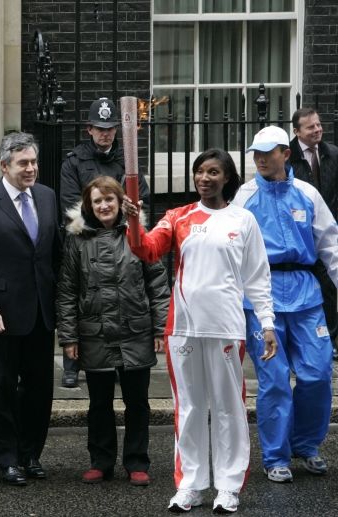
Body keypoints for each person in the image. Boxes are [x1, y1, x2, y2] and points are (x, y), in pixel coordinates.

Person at [123, 148, 277, 514]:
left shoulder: (243, 220)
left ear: (226, 178)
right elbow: (145, 249)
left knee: (228, 406)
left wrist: (267, 323)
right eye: (199, 172)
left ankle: (228, 485)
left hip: (225, 326)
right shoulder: (178, 217)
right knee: (189, 408)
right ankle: (190, 484)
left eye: (212, 172)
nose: (204, 178)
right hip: (184, 328)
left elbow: (258, 277)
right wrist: (133, 222)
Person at [232, 125, 338, 484]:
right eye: (256, 153)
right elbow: (230, 251)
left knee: (318, 372)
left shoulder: (307, 194)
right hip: (262, 297)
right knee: (274, 379)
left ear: (285, 154)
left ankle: (305, 446)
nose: (260, 159)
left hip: (306, 294)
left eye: (268, 152)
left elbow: (331, 246)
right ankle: (276, 456)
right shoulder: (244, 197)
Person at [56, 176, 169, 487]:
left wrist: (161, 328)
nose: (104, 206)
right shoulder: (76, 241)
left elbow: (158, 285)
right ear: (89, 207)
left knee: (138, 402)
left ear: (120, 202)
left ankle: (137, 462)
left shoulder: (138, 235)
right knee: (99, 404)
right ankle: (101, 461)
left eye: (109, 199)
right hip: (95, 334)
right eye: (97, 201)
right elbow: (67, 291)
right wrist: (69, 337)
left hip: (136, 331)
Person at [0, 131, 60, 486]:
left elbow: (55, 255)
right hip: (0, 315)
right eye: (23, 163)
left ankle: (30, 453)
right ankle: (7, 460)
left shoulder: (48, 198)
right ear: (4, 165)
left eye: (33, 162)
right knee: (2, 389)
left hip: (41, 313)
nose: (31, 168)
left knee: (38, 389)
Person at [58, 96, 151, 388]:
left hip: (122, 238)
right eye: (99, 127)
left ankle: (125, 360)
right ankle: (73, 363)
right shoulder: (74, 162)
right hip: (85, 241)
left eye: (110, 128)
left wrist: (122, 221)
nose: (105, 133)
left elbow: (141, 201)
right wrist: (102, 219)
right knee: (83, 299)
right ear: (89, 129)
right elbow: (71, 207)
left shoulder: (127, 161)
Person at [289, 107, 338, 361]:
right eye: (310, 127)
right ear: (297, 131)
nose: (317, 130)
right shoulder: (287, 158)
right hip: (301, 238)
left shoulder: (332, 154)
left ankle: (329, 339)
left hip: (328, 231)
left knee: (330, 287)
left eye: (318, 125)